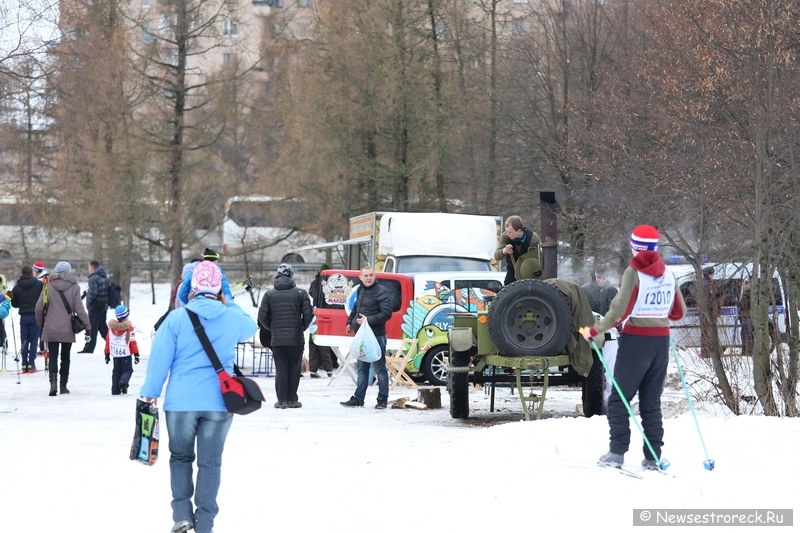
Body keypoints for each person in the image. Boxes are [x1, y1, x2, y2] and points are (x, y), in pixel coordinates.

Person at [140, 260, 257, 533]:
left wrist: (150, 393)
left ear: (191, 289)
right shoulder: (230, 316)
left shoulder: (176, 318)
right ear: (219, 289)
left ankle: (182, 514)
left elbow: (160, 359)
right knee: (210, 463)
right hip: (220, 401)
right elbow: (250, 327)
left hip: (181, 402)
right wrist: (228, 300)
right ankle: (204, 523)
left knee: (180, 457)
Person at [580, 225, 686, 470]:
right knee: (651, 402)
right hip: (661, 342)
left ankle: (616, 453)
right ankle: (653, 457)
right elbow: (678, 312)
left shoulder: (633, 272)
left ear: (635, 247)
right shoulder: (669, 274)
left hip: (636, 341)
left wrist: (594, 330)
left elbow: (619, 311)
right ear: (656, 248)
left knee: (619, 400)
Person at [257, 263, 314, 409]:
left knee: (281, 369)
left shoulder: (269, 294)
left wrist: (272, 327)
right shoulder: (301, 293)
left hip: (277, 339)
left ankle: (281, 400)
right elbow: (309, 315)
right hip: (296, 339)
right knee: (294, 370)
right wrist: (301, 327)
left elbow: (262, 317)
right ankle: (292, 399)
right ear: (291, 274)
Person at [35, 261, 91, 396]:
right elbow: (80, 309)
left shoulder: (48, 285)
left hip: (51, 326)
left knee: (52, 356)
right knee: (65, 357)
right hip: (67, 328)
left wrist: (42, 323)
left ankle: (53, 385)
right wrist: (88, 326)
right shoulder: (74, 287)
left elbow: (38, 308)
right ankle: (63, 386)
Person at [340, 265, 393, 409]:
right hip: (362, 336)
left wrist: (368, 320)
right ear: (361, 277)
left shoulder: (382, 292)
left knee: (380, 369)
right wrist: (349, 322)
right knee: (362, 369)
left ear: (374, 276)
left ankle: (382, 400)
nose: (369, 278)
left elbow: (387, 313)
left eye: (371, 275)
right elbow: (356, 309)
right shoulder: (360, 289)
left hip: (377, 336)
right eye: (366, 275)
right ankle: (358, 398)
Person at [11, 264, 44, 372]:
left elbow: (15, 304)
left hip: (24, 316)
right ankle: (31, 364)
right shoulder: (39, 285)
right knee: (34, 340)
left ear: (22, 274)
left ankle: (24, 363)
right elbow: (44, 299)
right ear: (32, 273)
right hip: (36, 315)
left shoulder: (17, 287)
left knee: (24, 340)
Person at [494, 215, 541, 285]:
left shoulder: (533, 238)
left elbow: (536, 259)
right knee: (507, 292)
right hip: (512, 271)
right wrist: (504, 251)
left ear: (519, 230)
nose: (507, 234)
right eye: (506, 231)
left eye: (510, 232)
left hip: (530, 272)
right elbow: (496, 256)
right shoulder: (505, 237)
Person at [104, 304, 140, 395]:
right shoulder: (129, 328)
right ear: (126, 316)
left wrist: (107, 354)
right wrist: (136, 354)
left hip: (116, 355)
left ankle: (115, 390)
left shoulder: (111, 328)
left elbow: (108, 341)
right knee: (128, 370)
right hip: (126, 355)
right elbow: (132, 342)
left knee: (116, 372)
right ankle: (123, 382)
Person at [308, 263, 334, 377]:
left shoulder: (316, 283)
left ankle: (319, 368)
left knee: (316, 342)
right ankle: (324, 369)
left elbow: (312, 293)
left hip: (317, 315)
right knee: (319, 342)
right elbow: (314, 294)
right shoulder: (323, 283)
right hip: (320, 315)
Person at [79, 260, 109, 353]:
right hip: (103, 305)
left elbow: (93, 293)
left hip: (95, 307)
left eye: (89, 267)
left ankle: (88, 348)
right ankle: (112, 344)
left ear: (92, 267)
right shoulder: (104, 277)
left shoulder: (93, 278)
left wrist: (89, 303)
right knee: (102, 328)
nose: (88, 269)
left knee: (91, 328)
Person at [739, 279, 753, 356]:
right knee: (743, 334)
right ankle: (745, 351)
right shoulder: (747, 293)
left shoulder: (747, 294)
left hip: (746, 316)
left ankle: (749, 352)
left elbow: (745, 306)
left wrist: (739, 303)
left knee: (747, 334)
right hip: (745, 316)